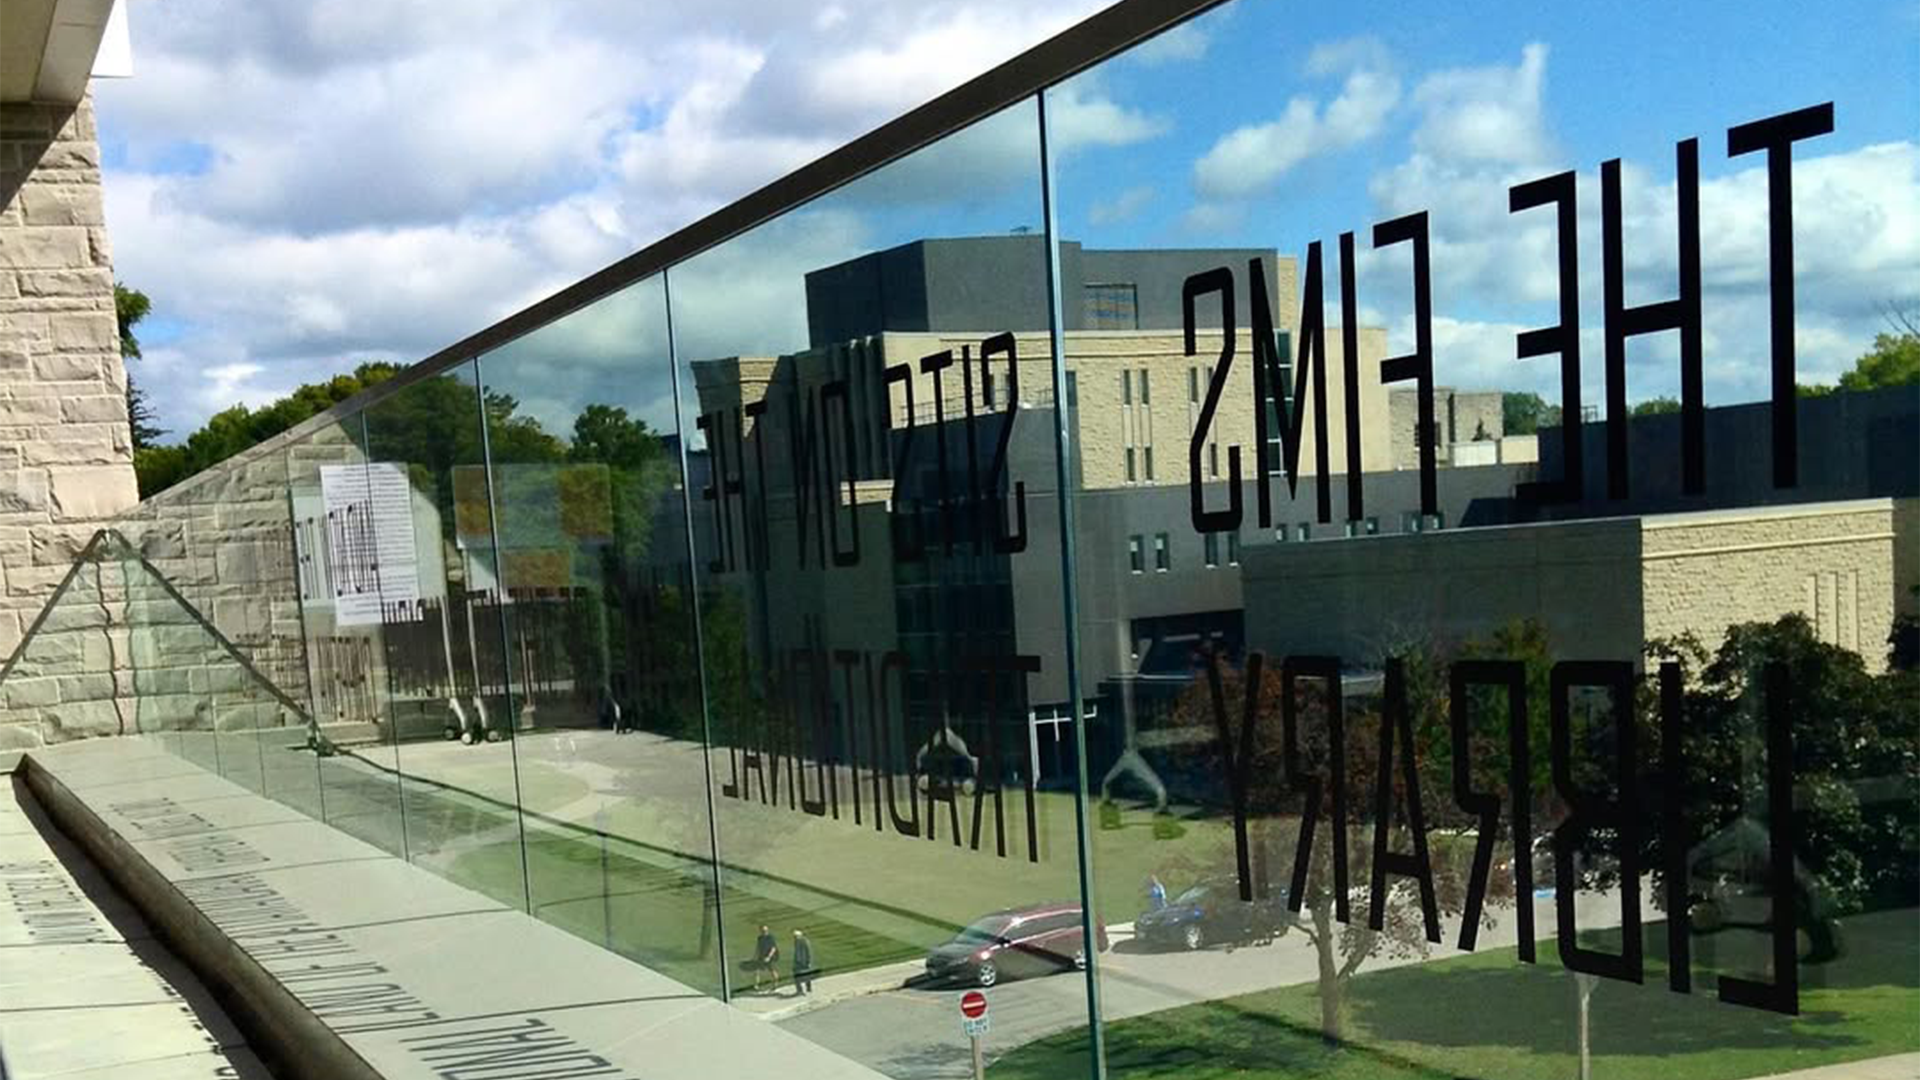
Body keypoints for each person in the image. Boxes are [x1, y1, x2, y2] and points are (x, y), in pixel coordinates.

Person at [749, 924, 780, 992]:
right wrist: (755, 956)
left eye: (765, 930)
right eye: (763, 930)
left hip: (770, 957)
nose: (764, 932)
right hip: (761, 956)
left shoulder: (770, 937)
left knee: (772, 971)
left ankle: (775, 984)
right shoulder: (759, 938)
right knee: (756, 971)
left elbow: (773, 948)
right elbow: (758, 947)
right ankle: (756, 985)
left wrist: (769, 957)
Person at [791, 929, 816, 996]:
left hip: (804, 962)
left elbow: (808, 952)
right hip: (797, 962)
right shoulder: (796, 942)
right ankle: (799, 990)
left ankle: (808, 988)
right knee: (796, 976)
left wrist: (809, 962)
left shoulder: (805, 941)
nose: (794, 938)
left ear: (800, 936)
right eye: (794, 936)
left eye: (796, 936)